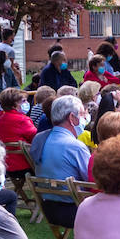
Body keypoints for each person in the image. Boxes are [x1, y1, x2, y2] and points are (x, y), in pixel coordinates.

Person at [28, 94, 90, 228]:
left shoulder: (39, 139)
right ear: (72, 118)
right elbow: (91, 181)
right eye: (81, 114)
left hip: (49, 208)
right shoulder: (75, 147)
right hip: (76, 210)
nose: (84, 118)